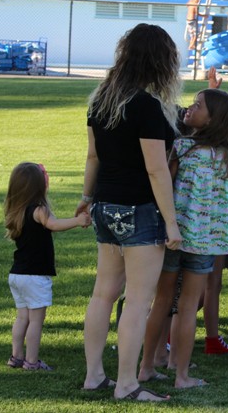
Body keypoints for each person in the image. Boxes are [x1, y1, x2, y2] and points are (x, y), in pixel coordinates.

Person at [78, 23, 181, 401]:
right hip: (139, 211)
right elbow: (156, 169)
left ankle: (94, 376)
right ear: (159, 61)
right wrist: (171, 223)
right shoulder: (146, 106)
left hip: (105, 206)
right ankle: (126, 384)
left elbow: (94, 156)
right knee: (137, 300)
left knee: (103, 294)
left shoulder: (100, 100)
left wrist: (87, 197)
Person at [141, 88, 228, 390]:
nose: (190, 108)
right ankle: (181, 374)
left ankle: (146, 366)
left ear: (213, 120)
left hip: (174, 236)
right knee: (187, 307)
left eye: (198, 106)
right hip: (206, 241)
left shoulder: (181, 149)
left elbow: (165, 185)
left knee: (161, 301)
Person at [4, 162, 90, 371]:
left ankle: (16, 357)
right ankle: (32, 362)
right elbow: (54, 225)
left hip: (17, 274)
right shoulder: (39, 210)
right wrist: (78, 221)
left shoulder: (17, 210)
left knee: (22, 317)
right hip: (35, 276)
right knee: (36, 320)